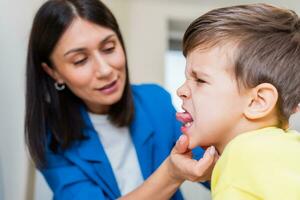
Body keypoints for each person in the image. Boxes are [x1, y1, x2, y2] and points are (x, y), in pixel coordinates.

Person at [24, 0, 218, 199]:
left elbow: (211, 167)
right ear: (53, 72)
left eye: (108, 48)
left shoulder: (155, 101)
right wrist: (171, 173)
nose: (105, 70)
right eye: (80, 60)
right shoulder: (51, 139)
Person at [175, 3, 300, 200]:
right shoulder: (288, 150)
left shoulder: (240, 158)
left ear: (258, 102)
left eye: (200, 80)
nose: (181, 91)